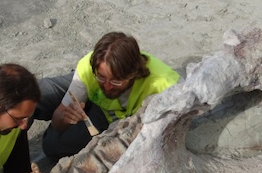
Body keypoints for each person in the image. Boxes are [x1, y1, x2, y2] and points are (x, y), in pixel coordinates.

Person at [36, 31, 180, 162]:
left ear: (133, 74)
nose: (108, 86)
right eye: (102, 77)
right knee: (30, 92)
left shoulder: (165, 84)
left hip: (109, 114)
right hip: (89, 89)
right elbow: (59, 118)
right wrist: (64, 118)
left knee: (53, 146)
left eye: (116, 81)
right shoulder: (88, 68)